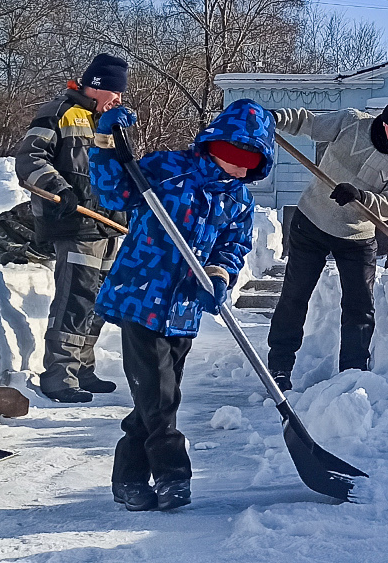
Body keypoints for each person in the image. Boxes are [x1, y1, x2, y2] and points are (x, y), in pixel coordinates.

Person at [89, 98, 273, 512]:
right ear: (217, 143)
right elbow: (112, 191)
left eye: (252, 160)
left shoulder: (239, 200)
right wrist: (104, 143)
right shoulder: (169, 170)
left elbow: (233, 246)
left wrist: (221, 275)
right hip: (142, 298)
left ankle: (129, 479)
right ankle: (173, 475)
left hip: (184, 310)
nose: (243, 166)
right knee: (160, 397)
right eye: (238, 154)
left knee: (153, 400)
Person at [264, 97, 388, 391]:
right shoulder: (351, 122)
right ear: (386, 122)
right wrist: (275, 118)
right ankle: (279, 367)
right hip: (312, 220)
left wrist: (361, 197)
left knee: (359, 306)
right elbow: (308, 122)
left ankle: (353, 373)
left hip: (357, 237)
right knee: (295, 295)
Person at [14, 52, 129, 403]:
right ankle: (58, 375)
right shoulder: (58, 113)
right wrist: (57, 190)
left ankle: (82, 368)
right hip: (75, 222)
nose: (119, 99)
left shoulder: (109, 123)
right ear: (97, 88)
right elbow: (30, 157)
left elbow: (122, 170)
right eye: (115, 92)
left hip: (110, 224)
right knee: (76, 298)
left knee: (99, 302)